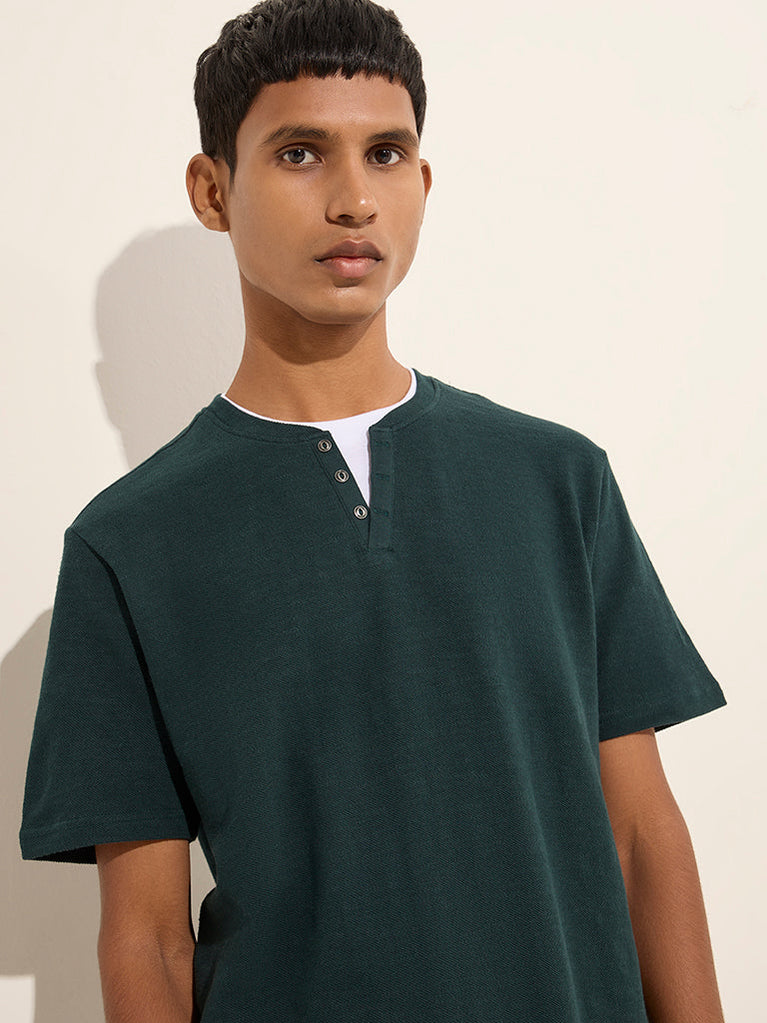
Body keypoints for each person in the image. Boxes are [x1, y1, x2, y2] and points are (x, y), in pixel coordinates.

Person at [19, 1, 728, 1020]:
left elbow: (641, 836)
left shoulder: (556, 481)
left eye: (385, 154)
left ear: (422, 184)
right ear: (213, 190)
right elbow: (148, 938)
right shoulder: (126, 545)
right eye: (299, 153)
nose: (354, 200)